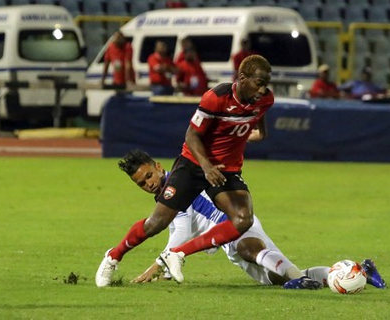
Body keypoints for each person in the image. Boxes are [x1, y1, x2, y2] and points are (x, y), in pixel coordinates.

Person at [96, 55, 283, 287]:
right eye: (259, 82)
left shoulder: (264, 99)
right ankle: (113, 256)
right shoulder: (215, 97)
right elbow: (191, 135)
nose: (263, 89)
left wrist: (249, 136)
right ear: (242, 78)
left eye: (266, 83)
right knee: (157, 223)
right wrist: (206, 166)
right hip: (194, 164)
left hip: (226, 169)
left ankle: (178, 254)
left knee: (243, 219)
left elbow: (258, 122)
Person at [116, 149, 387, 289]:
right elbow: (178, 231)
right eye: (141, 183)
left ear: (158, 167)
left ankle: (302, 278)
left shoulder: (175, 188)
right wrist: (164, 264)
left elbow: (181, 234)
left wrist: (157, 266)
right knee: (284, 277)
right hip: (226, 238)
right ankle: (361, 271)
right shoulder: (167, 198)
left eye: (149, 176)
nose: (149, 184)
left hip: (235, 225)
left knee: (245, 247)